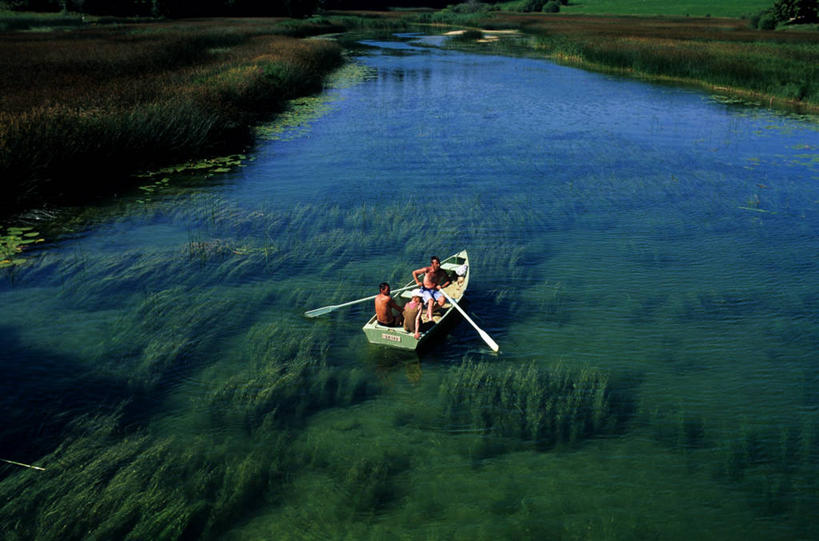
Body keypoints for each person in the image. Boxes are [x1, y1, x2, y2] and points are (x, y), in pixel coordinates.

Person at [412, 256, 451, 322]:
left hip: (434, 290)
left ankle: (430, 310)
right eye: (437, 263)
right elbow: (414, 272)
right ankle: (430, 318)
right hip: (425, 290)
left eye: (439, 263)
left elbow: (448, 281)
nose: (439, 265)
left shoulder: (441, 272)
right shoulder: (427, 270)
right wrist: (417, 282)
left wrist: (442, 286)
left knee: (443, 300)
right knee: (431, 301)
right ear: (432, 264)